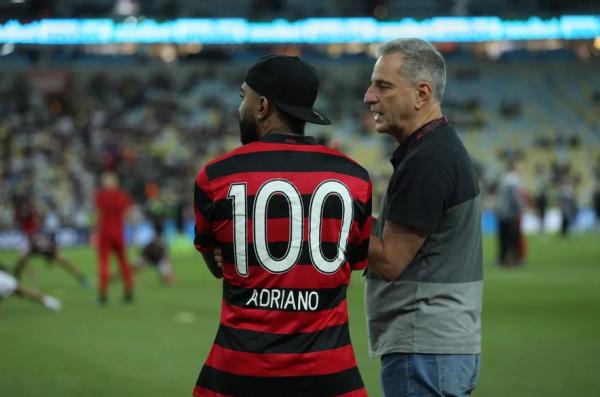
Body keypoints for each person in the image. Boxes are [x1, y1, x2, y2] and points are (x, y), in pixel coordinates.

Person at [192, 55, 372, 397]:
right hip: (331, 375)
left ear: (261, 106)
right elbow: (356, 259)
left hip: (237, 374)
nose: (240, 107)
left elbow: (216, 263)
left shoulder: (215, 177)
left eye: (243, 97)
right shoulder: (356, 179)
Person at [363, 38, 483, 397]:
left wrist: (327, 223)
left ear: (422, 93)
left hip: (425, 346)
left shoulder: (428, 161)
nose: (369, 96)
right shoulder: (436, 149)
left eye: (383, 86)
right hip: (438, 348)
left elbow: (389, 260)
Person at [12, 197, 90, 287]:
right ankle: (15, 282)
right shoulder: (21, 212)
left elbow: (36, 221)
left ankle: (81, 277)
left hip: (36, 239)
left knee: (61, 259)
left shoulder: (31, 212)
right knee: (20, 262)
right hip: (29, 240)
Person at [94, 172, 134, 304]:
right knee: (123, 263)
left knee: (104, 264)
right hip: (119, 233)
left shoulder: (101, 196)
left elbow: (98, 216)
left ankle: (103, 295)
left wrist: (94, 232)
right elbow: (129, 217)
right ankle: (128, 292)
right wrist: (132, 233)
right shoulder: (123, 196)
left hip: (105, 233)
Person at [495, 161, 526, 266]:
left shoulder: (503, 178)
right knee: (513, 237)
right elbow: (515, 198)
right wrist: (521, 208)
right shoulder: (514, 179)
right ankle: (513, 260)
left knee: (503, 237)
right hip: (511, 214)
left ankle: (502, 259)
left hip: (501, 213)